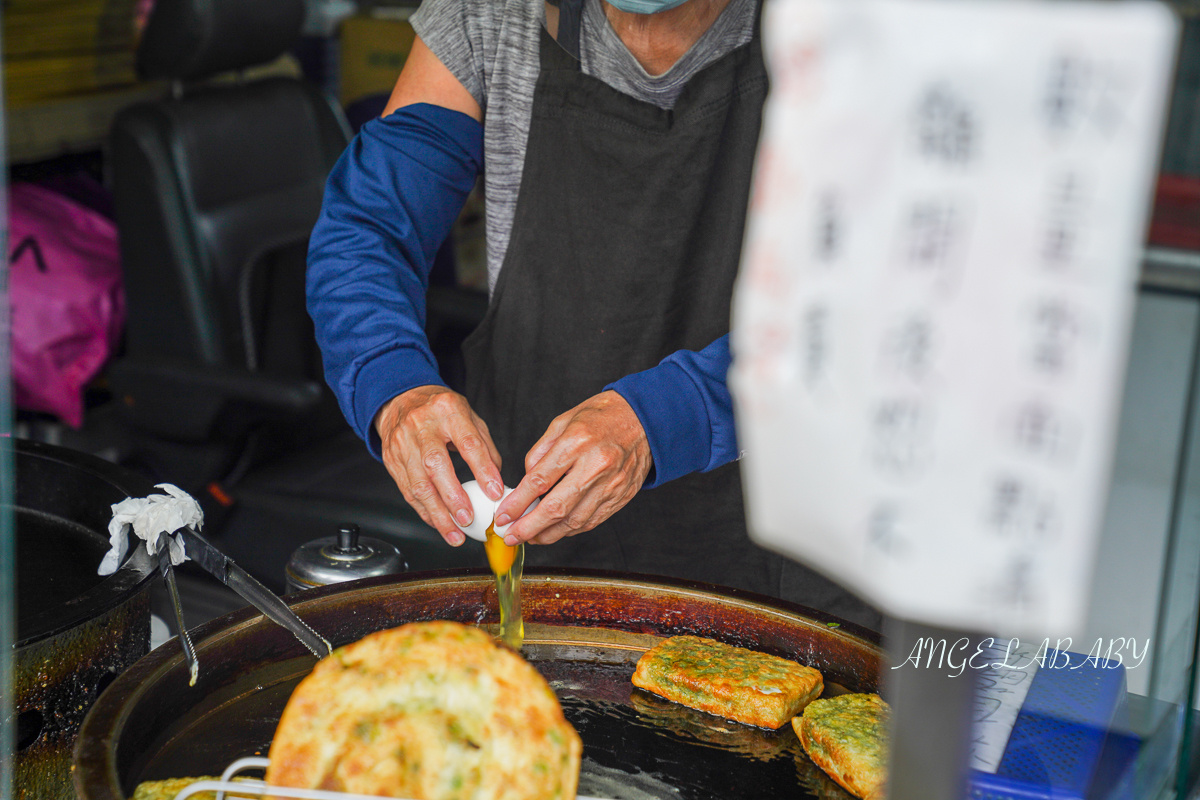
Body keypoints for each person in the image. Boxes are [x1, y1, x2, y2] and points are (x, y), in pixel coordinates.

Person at [307, 0, 882, 629]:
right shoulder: (492, 14)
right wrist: (395, 387)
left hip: (790, 544)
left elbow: (885, 302)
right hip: (548, 531)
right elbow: (369, 228)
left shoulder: (868, 27)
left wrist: (666, 417)